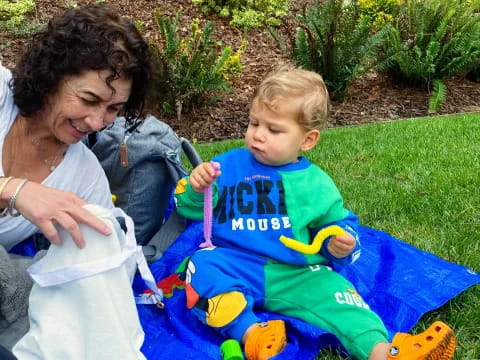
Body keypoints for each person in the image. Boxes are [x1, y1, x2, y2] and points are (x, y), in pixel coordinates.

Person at [174, 66, 456, 360]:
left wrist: (340, 242)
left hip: (297, 272)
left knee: (342, 297)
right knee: (201, 267)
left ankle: (385, 352)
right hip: (234, 261)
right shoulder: (226, 165)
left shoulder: (316, 184)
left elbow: (338, 226)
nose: (258, 135)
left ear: (307, 140)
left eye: (273, 129)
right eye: (254, 123)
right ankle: (252, 334)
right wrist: (197, 186)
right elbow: (188, 208)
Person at [0, 3, 151, 349]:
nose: (97, 122)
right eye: (88, 99)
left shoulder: (85, 178)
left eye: (113, 109)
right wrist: (14, 189)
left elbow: (104, 274)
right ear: (51, 77)